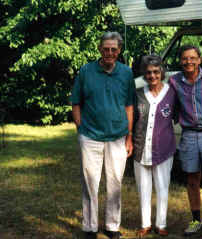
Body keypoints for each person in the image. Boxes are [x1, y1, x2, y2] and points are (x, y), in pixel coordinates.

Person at [70, 32, 135, 239]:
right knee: (90, 183)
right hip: (90, 136)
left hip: (118, 136)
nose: (109, 53)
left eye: (113, 49)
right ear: (99, 49)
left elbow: (129, 106)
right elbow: (76, 102)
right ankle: (90, 227)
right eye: (105, 48)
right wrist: (81, 128)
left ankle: (112, 226)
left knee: (115, 182)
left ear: (119, 51)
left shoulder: (126, 73)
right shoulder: (86, 71)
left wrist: (129, 136)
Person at [169, 45, 202, 237]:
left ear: (200, 59)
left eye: (192, 58)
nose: (188, 62)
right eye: (185, 58)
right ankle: (196, 219)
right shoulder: (174, 81)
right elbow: (168, 104)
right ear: (181, 61)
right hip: (189, 134)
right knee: (192, 179)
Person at [132, 55, 177, 238]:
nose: (152, 76)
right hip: (140, 146)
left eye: (156, 72)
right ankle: (145, 223)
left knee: (162, 186)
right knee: (143, 186)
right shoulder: (138, 94)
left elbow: (178, 115)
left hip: (164, 147)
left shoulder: (172, 93)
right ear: (144, 74)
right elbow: (131, 118)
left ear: (162, 72)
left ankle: (161, 223)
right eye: (149, 72)